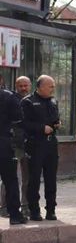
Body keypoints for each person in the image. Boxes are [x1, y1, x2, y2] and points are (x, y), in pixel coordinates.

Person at [21, 75, 60, 221]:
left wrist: (57, 124)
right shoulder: (28, 102)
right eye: (50, 86)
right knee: (34, 179)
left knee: (51, 179)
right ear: (41, 86)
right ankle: (34, 210)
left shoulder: (53, 100)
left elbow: (56, 118)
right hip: (35, 145)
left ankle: (51, 210)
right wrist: (41, 128)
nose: (53, 88)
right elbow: (23, 123)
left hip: (51, 145)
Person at [0, 76, 31, 218]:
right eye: (21, 85)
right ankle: (8, 209)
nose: (24, 88)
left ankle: (23, 207)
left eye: (26, 85)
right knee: (10, 177)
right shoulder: (9, 97)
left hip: (25, 142)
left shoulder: (32, 101)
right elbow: (18, 119)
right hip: (10, 142)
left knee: (24, 177)